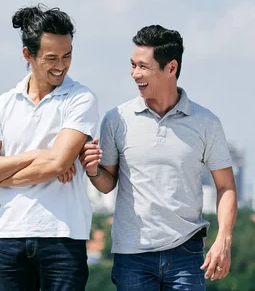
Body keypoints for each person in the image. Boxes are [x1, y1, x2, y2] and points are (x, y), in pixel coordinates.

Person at [80, 25, 237, 290]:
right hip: (133, 254)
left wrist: (224, 238)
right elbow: (107, 184)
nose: (135, 74)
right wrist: (93, 170)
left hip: (187, 255)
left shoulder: (206, 122)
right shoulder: (116, 119)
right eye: (132, 65)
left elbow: (226, 186)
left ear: (171, 67)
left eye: (143, 67)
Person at [0, 4, 99, 291]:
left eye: (67, 56)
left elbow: (57, 165)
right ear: (28, 55)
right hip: (9, 233)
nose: (61, 65)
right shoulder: (2, 104)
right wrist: (37, 155)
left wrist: (1, 174)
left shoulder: (80, 99)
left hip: (63, 235)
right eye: (51, 57)